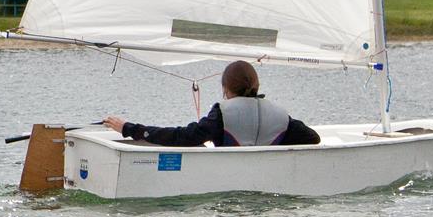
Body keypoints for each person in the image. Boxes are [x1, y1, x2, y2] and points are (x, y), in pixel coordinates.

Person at [100, 59, 321, 148]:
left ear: (225, 88)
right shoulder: (281, 115)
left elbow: (182, 137)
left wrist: (129, 128)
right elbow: (313, 138)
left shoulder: (223, 113)